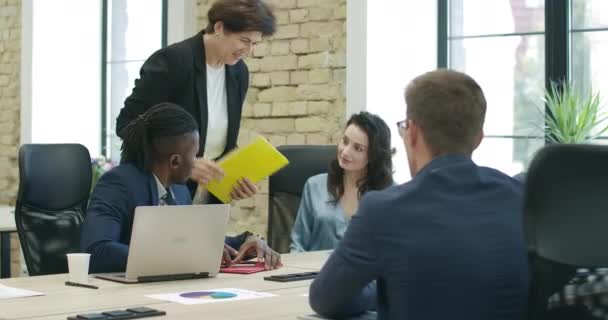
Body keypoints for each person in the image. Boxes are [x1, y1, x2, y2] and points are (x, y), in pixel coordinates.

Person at [309, 70, 529, 320]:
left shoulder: (383, 210)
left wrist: (382, 286)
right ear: (478, 139)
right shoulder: (521, 199)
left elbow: (325, 299)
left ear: (412, 133)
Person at [81, 102, 281, 273]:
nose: (198, 161)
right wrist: (182, 253)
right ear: (175, 161)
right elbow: (97, 250)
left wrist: (247, 241)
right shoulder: (119, 184)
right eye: (195, 155)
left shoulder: (178, 191)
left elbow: (188, 241)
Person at [116, 0, 276, 202]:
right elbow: (127, 126)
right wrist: (184, 164)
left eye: (255, 43)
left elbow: (221, 142)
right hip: (155, 192)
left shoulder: (238, 73)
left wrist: (236, 178)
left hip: (205, 194)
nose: (250, 51)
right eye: (244, 41)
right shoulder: (173, 61)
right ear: (219, 28)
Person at [289, 111, 394, 252]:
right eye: (345, 141)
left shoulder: (390, 195)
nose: (345, 152)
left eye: (357, 148)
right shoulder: (314, 186)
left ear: (373, 156)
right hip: (315, 273)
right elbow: (297, 245)